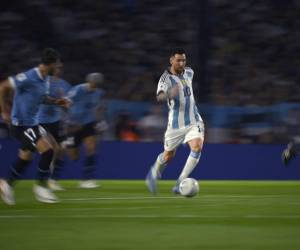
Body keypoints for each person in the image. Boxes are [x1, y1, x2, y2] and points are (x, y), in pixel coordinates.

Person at [0, 48, 69, 205]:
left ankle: (7, 184)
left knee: (25, 158)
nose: (58, 68)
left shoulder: (45, 79)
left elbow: (42, 98)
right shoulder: (28, 77)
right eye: (56, 65)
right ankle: (41, 188)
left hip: (32, 123)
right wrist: (4, 112)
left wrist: (57, 102)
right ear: (49, 64)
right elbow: (3, 87)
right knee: (48, 150)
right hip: (21, 124)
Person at [145, 48, 205, 194]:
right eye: (178, 60)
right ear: (171, 60)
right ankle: (153, 174)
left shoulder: (189, 72)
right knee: (168, 156)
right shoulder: (165, 79)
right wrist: (168, 94)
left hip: (194, 121)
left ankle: (179, 183)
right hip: (175, 126)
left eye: (183, 60)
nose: (181, 63)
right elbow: (159, 96)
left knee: (197, 147)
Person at [66, 73, 105, 188]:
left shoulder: (99, 93)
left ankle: (87, 179)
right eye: (94, 83)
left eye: (97, 84)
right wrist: (69, 121)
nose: (95, 86)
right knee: (73, 156)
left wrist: (99, 121)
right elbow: (65, 103)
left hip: (88, 123)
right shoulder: (77, 90)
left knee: (91, 148)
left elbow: (98, 108)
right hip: (73, 125)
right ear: (89, 81)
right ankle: (67, 144)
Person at [38, 62, 71, 191]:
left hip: (56, 120)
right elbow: (40, 98)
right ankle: (44, 180)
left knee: (62, 148)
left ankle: (54, 180)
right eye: (57, 67)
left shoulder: (65, 85)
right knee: (51, 147)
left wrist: (65, 102)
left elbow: (67, 103)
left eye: (61, 68)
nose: (59, 69)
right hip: (41, 119)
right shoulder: (43, 81)